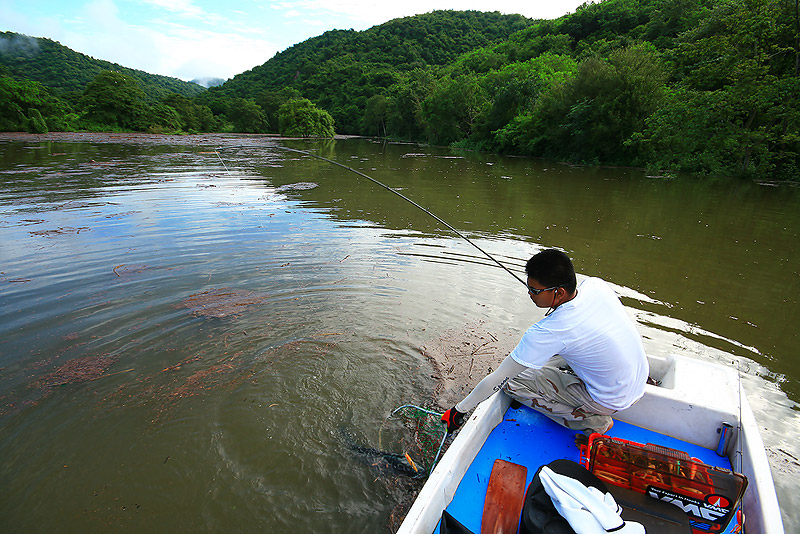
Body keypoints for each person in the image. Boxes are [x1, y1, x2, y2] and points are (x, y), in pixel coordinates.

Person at [441, 249, 649, 436]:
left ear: (558, 292)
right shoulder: (596, 286)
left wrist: (458, 411)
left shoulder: (550, 330)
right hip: (635, 381)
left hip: (610, 399)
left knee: (512, 382)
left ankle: (593, 421)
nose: (529, 294)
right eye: (529, 287)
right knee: (545, 355)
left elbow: (498, 378)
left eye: (535, 291)